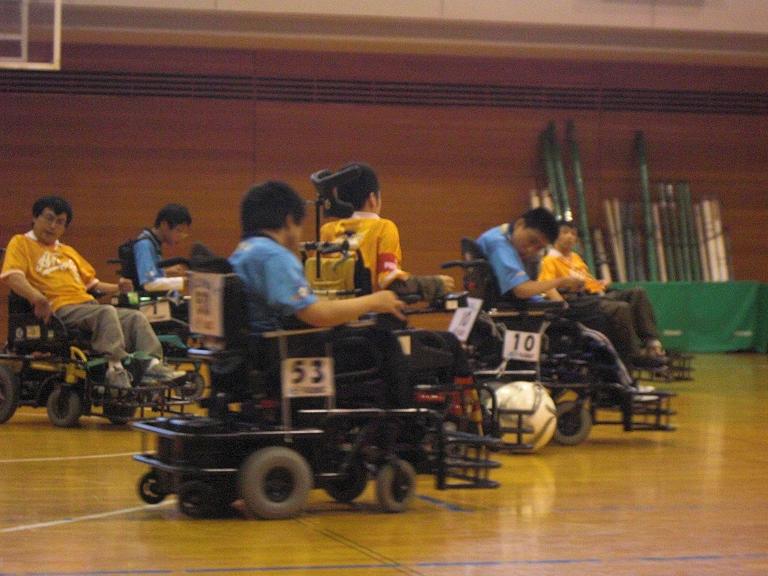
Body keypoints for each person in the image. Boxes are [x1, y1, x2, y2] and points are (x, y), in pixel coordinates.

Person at [1, 196, 182, 388]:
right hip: (59, 308)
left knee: (135, 317)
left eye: (60, 222)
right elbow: (12, 276)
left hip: (86, 308)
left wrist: (117, 287)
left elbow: (93, 285)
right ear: (35, 218)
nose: (53, 226)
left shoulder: (67, 251)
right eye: (49, 218)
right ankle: (115, 367)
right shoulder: (21, 243)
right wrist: (37, 298)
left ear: (64, 228)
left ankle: (151, 365)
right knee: (106, 312)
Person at [229, 181, 406, 334]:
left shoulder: (244, 250)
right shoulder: (274, 256)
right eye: (299, 226)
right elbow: (316, 314)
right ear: (289, 221)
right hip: (269, 353)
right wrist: (374, 301)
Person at [319, 162, 454, 302]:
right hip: (369, 310)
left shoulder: (327, 230)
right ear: (372, 199)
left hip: (334, 310)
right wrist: (434, 284)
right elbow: (389, 280)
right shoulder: (384, 228)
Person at [537, 219, 666, 363]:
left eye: (573, 234)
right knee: (620, 308)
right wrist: (562, 305)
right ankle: (634, 354)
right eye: (565, 232)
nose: (570, 236)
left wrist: (600, 284)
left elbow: (588, 282)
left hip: (593, 295)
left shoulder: (575, 258)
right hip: (576, 302)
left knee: (638, 293)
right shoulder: (549, 260)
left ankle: (652, 344)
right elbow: (547, 286)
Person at [133, 203, 191, 292]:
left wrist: (166, 271)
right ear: (164, 224)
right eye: (179, 230)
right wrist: (185, 281)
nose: (181, 236)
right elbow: (149, 284)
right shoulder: (144, 245)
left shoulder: (154, 243)